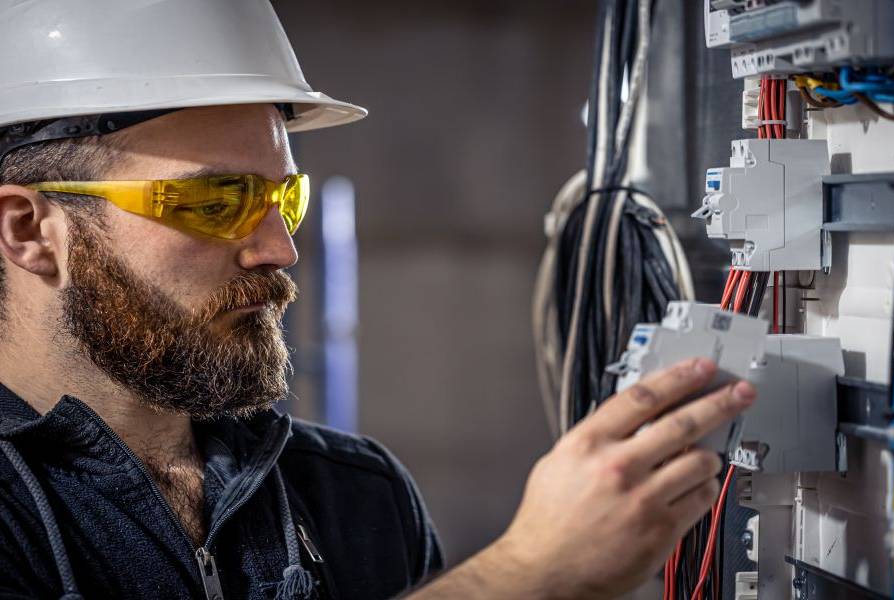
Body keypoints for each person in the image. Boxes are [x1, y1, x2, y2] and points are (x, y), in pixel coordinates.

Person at [0, 1, 756, 598]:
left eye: (282, 199)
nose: (280, 250)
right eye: (215, 199)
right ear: (30, 229)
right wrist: (524, 576)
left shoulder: (356, 494)